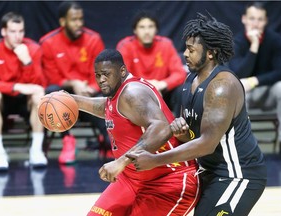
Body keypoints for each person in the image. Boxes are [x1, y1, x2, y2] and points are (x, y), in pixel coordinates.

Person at [126, 13, 267, 216]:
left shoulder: (222, 86)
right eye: (185, 48)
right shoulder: (190, 80)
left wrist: (155, 160)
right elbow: (192, 136)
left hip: (239, 175)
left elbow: (206, 144)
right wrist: (179, 131)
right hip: (208, 171)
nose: (184, 54)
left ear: (211, 53)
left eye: (191, 50)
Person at [70, 49, 200, 215]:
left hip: (168, 179)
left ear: (122, 71)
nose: (101, 80)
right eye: (97, 75)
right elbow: (108, 108)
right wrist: (73, 100)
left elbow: (160, 127)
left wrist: (121, 162)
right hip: (132, 178)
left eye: (106, 74)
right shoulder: (118, 93)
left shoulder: (133, 93)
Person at [40, 1, 111, 164]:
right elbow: (50, 78)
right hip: (63, 99)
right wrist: (73, 84)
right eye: (74, 20)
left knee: (108, 93)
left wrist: (91, 88)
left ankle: (108, 140)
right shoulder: (48, 42)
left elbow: (102, 72)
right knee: (50, 91)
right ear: (63, 22)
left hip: (89, 96)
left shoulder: (93, 39)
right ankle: (68, 141)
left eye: (81, 19)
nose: (79, 23)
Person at [229, 2, 281, 157]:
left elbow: (280, 72)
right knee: (237, 92)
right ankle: (244, 146)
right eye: (252, 18)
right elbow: (238, 73)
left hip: (268, 91)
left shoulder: (275, 40)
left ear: (265, 21)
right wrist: (254, 47)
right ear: (244, 19)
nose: (256, 23)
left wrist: (254, 81)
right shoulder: (237, 42)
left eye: (260, 19)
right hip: (246, 94)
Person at [0, 12, 47, 170]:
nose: (17, 36)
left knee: (40, 95)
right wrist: (14, 86)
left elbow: (39, 84)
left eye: (21, 31)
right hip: (3, 101)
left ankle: (36, 152)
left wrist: (27, 62)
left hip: (25, 101)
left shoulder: (33, 49)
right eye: (12, 31)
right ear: (4, 32)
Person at [116, 11, 187, 116]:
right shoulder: (126, 46)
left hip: (162, 91)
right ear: (135, 30)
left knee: (183, 90)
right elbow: (121, 77)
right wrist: (148, 85)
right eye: (142, 27)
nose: (147, 31)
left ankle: (180, 128)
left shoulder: (166, 44)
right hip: (136, 93)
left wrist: (162, 84)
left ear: (156, 29)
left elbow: (180, 73)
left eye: (150, 26)